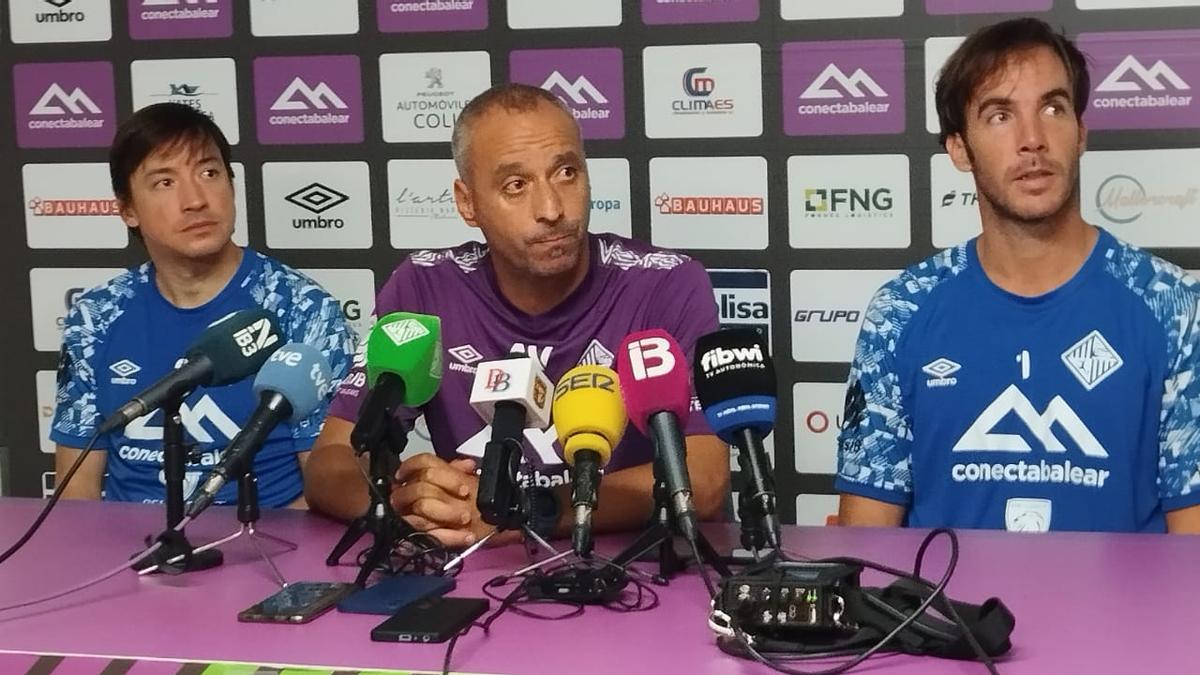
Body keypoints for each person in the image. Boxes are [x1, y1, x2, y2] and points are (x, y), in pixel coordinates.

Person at [305, 83, 729, 547]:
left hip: (632, 576)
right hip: (477, 579)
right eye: (516, 185)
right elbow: (332, 462)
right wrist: (405, 503)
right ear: (468, 203)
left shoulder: (666, 284)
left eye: (567, 173)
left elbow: (704, 479)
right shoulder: (424, 285)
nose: (551, 209)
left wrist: (521, 514)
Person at [835, 18, 1200, 533]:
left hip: (1120, 616)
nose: (1033, 139)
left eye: (1053, 108)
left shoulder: (1175, 307)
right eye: (1000, 115)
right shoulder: (901, 310)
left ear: (1081, 133)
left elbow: (1193, 556)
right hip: (942, 615)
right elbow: (867, 542)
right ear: (959, 149)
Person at [51, 102, 357, 508]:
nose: (195, 199)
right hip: (127, 554)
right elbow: (77, 491)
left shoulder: (304, 310)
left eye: (209, 173)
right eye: (164, 182)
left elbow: (326, 487)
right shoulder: (97, 316)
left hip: (262, 548)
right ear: (127, 209)